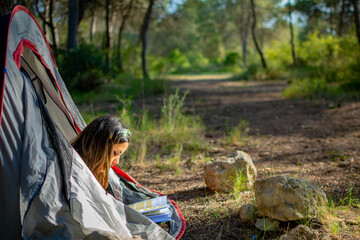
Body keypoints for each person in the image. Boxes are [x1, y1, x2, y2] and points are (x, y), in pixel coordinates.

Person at [71, 115, 131, 190]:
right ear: (99, 146)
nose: (117, 162)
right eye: (115, 153)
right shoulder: (71, 172)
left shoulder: (97, 174)